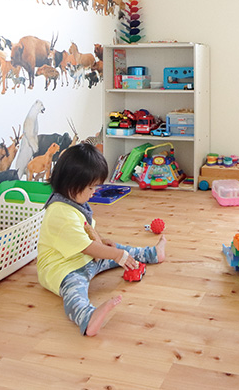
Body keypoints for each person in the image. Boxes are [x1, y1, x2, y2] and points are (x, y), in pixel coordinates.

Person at [37, 142, 166, 336]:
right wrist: (115, 254)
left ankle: (152, 253)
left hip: (85, 259)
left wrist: (103, 242)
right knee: (74, 293)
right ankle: (87, 317)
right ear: (72, 185)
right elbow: (87, 247)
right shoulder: (60, 213)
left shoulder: (73, 203)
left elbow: (86, 232)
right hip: (64, 269)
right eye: (91, 188)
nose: (94, 192)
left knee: (116, 248)